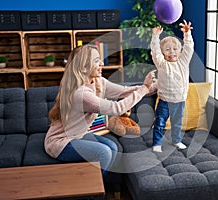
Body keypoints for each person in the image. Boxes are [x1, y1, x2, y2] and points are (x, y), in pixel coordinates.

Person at [45, 44, 156, 176]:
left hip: (78, 135)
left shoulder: (98, 81)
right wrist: (144, 88)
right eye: (97, 61)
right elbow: (117, 108)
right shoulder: (81, 94)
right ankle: (92, 192)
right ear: (84, 67)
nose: (102, 63)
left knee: (113, 148)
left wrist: (152, 87)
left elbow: (124, 91)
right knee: (104, 152)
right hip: (61, 142)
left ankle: (94, 181)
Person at [151, 20, 194, 152]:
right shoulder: (162, 64)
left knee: (177, 124)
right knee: (159, 123)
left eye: (175, 49)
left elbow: (189, 48)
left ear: (179, 51)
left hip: (179, 101)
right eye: (167, 50)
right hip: (165, 101)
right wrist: (155, 36)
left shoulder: (183, 62)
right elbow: (155, 52)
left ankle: (176, 141)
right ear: (163, 52)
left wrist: (187, 34)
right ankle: (157, 143)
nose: (172, 52)